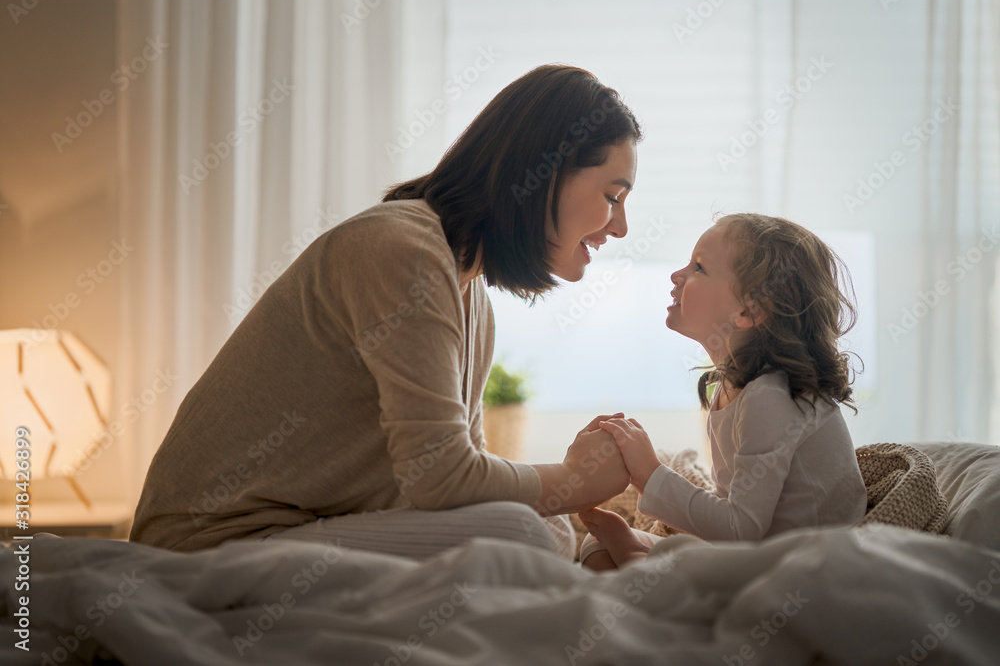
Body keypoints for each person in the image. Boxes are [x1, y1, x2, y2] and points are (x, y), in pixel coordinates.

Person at [129, 64, 641, 561]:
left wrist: (570, 486)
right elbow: (442, 478)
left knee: (543, 529)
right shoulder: (403, 251)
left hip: (296, 532)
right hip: (209, 546)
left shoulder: (471, 298)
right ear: (544, 174)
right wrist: (574, 478)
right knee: (522, 534)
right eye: (613, 196)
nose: (619, 228)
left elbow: (465, 475)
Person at [579, 213, 868, 570]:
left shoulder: (769, 397)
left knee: (632, 555)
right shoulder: (732, 387)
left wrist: (650, 474)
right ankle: (642, 564)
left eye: (698, 268)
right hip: (757, 552)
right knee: (596, 546)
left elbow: (740, 529)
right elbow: (729, 512)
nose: (677, 275)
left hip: (802, 567)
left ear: (749, 311)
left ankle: (644, 567)